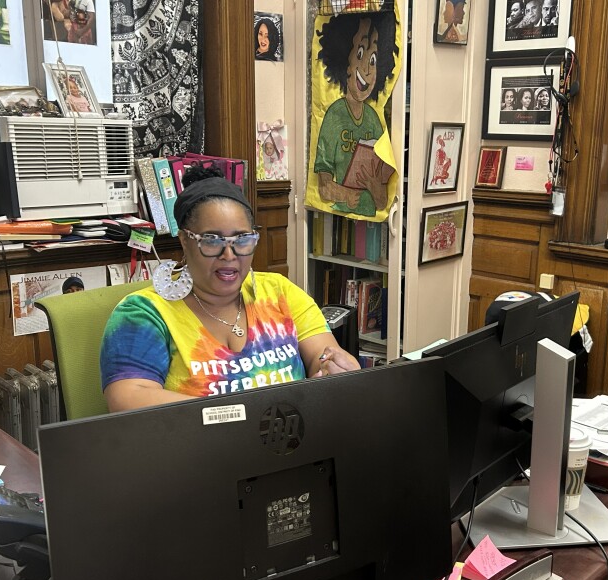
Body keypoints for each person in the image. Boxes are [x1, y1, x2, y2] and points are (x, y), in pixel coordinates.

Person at [101, 167, 360, 411]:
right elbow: (128, 398)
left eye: (242, 239)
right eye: (212, 240)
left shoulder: (279, 292)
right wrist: (239, 414)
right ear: (185, 241)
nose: (229, 254)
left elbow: (322, 356)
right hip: (197, 443)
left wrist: (336, 367)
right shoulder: (145, 312)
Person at [313, 12, 397, 218]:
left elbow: (382, 201)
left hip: (373, 218)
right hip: (337, 217)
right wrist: (348, 195)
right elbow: (323, 188)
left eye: (373, 59)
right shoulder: (335, 115)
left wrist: (376, 190)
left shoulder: (373, 118)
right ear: (344, 62)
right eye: (360, 54)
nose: (367, 70)